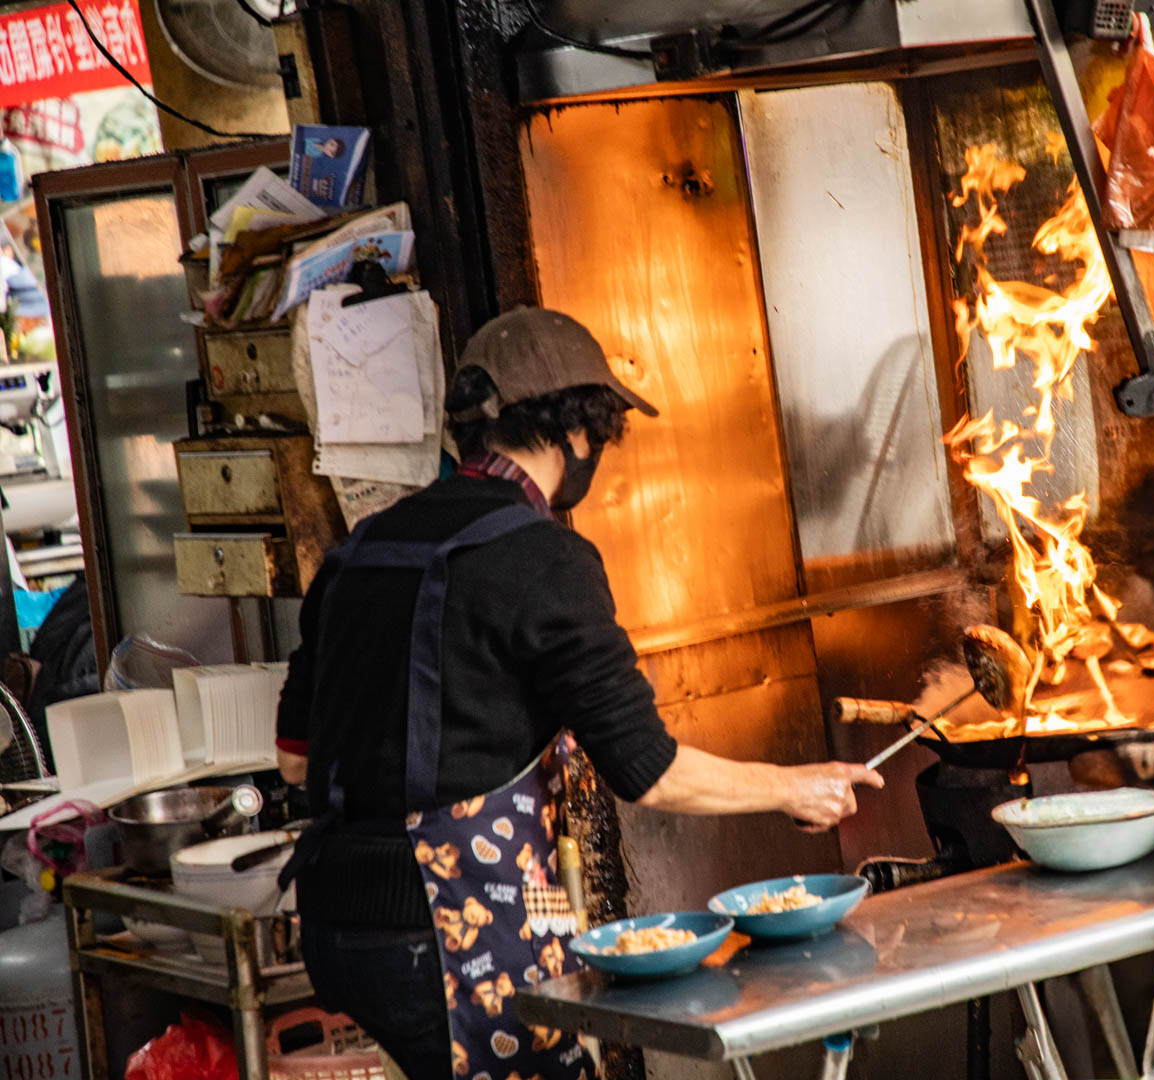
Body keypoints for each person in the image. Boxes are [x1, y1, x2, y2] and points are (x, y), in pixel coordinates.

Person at [275, 307, 883, 1080]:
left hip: (335, 923)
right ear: (577, 432)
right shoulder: (545, 558)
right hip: (444, 930)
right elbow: (648, 771)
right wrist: (796, 785)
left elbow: (294, 762)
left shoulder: (357, 552)